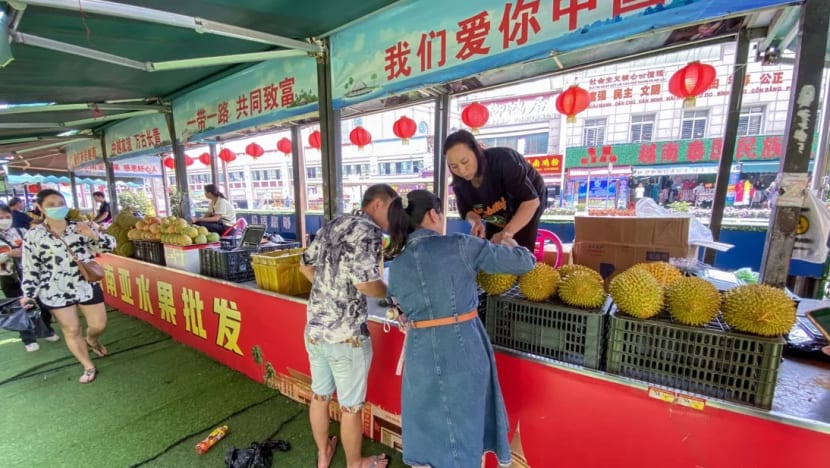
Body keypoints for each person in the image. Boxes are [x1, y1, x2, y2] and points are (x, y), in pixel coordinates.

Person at [385, 190, 535, 468]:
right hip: (463, 348)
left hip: (420, 353)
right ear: (433, 214)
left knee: (429, 426)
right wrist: (511, 241)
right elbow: (524, 263)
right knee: (466, 429)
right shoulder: (461, 245)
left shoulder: (398, 265)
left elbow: (396, 305)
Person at [298, 184, 396, 468]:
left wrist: (329, 293)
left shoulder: (336, 222)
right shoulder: (369, 231)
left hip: (315, 330)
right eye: (392, 208)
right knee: (350, 408)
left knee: (319, 395)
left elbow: (305, 265)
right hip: (346, 337)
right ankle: (356, 463)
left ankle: (323, 454)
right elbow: (366, 284)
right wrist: (390, 292)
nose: (394, 217)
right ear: (378, 204)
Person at [20, 189, 116, 384]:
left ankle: (92, 340)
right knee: (71, 329)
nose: (57, 207)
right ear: (40, 207)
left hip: (86, 283)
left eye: (60, 203)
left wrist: (93, 234)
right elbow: (31, 267)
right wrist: (28, 293)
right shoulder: (34, 235)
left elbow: (110, 246)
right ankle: (87, 365)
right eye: (51, 204)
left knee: (98, 324)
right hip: (54, 289)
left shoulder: (81, 226)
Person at [444, 129, 547, 251]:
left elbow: (531, 202)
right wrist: (476, 222)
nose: (461, 171)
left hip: (527, 201)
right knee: (492, 246)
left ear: (477, 151)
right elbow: (467, 210)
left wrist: (508, 232)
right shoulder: (459, 183)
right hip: (496, 213)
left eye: (465, 162)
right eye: (454, 166)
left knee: (518, 248)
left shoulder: (503, 160)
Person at [0, 204, 59, 351]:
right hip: (10, 278)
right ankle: (28, 339)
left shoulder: (21, 232)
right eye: (1, 218)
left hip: (32, 274)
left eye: (8, 217)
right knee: (19, 307)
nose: (5, 220)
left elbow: (37, 246)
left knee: (43, 303)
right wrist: (7, 254)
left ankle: (46, 330)